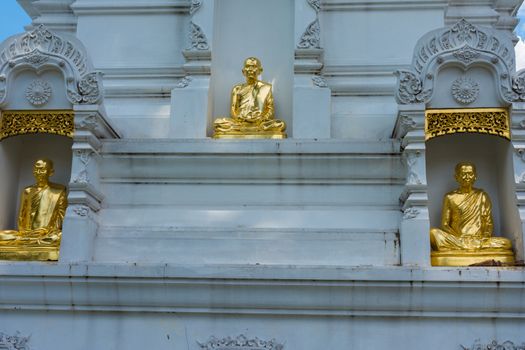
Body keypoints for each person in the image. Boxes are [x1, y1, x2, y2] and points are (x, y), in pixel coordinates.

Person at [430, 162, 512, 252]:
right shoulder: (450, 197)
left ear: (475, 176)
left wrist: (484, 238)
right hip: (458, 239)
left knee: (506, 243)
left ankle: (468, 247)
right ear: (456, 177)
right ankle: (469, 247)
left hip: (478, 240)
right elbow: (445, 224)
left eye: (470, 174)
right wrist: (459, 237)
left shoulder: (482, 195)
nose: (467, 177)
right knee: (433, 233)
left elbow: (488, 222)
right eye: (463, 174)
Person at [213, 57, 286, 138]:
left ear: (260, 71)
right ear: (243, 71)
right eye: (248, 66)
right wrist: (240, 118)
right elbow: (233, 111)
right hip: (241, 123)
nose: (250, 69)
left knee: (281, 124)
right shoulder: (237, 89)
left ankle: (252, 129)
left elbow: (270, 109)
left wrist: (263, 119)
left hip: (260, 123)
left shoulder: (266, 88)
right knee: (217, 123)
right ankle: (249, 130)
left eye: (254, 66)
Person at [0, 159, 67, 247]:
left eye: (42, 170)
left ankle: (30, 241)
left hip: (46, 234)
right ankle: (29, 241)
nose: (38, 172)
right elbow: (22, 216)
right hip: (26, 234)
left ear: (51, 172)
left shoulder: (59, 190)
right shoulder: (27, 191)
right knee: (1, 236)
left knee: (60, 237)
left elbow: (62, 216)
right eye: (36, 169)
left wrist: (51, 231)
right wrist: (24, 232)